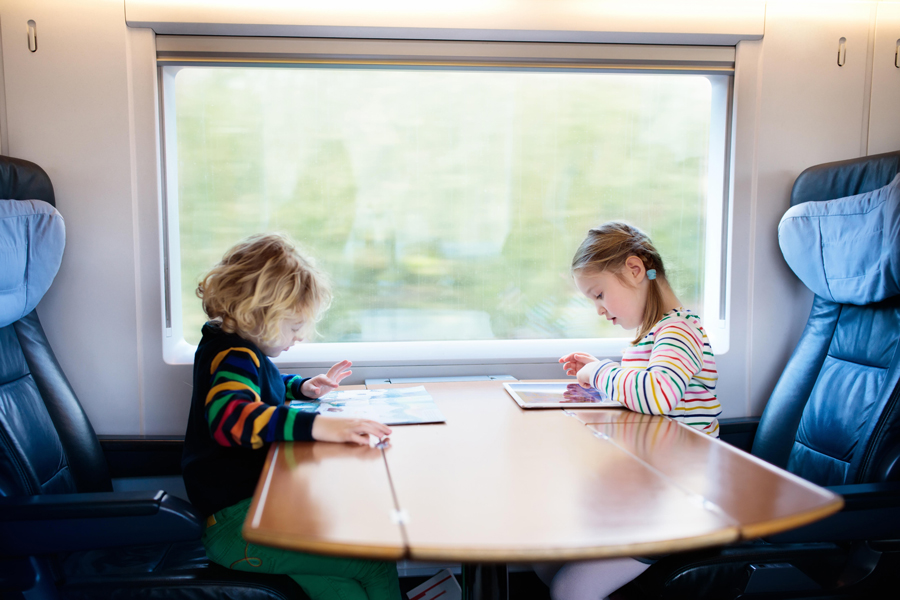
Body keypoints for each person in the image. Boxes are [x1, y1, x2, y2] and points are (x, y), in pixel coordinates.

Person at [181, 233, 400, 600]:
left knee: (347, 589)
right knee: (375, 562)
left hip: (240, 520)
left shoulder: (230, 349)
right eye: (295, 326)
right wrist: (321, 427)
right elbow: (230, 418)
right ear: (259, 313)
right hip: (241, 530)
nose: (300, 337)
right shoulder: (234, 356)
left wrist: (300, 387)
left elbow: (256, 387)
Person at [537, 222, 721, 600]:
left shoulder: (679, 331)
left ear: (635, 270)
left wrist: (600, 371)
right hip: (648, 489)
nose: (600, 310)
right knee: (541, 554)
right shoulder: (651, 337)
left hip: (676, 500)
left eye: (599, 294)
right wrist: (600, 373)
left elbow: (657, 395)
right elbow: (641, 392)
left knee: (569, 589)